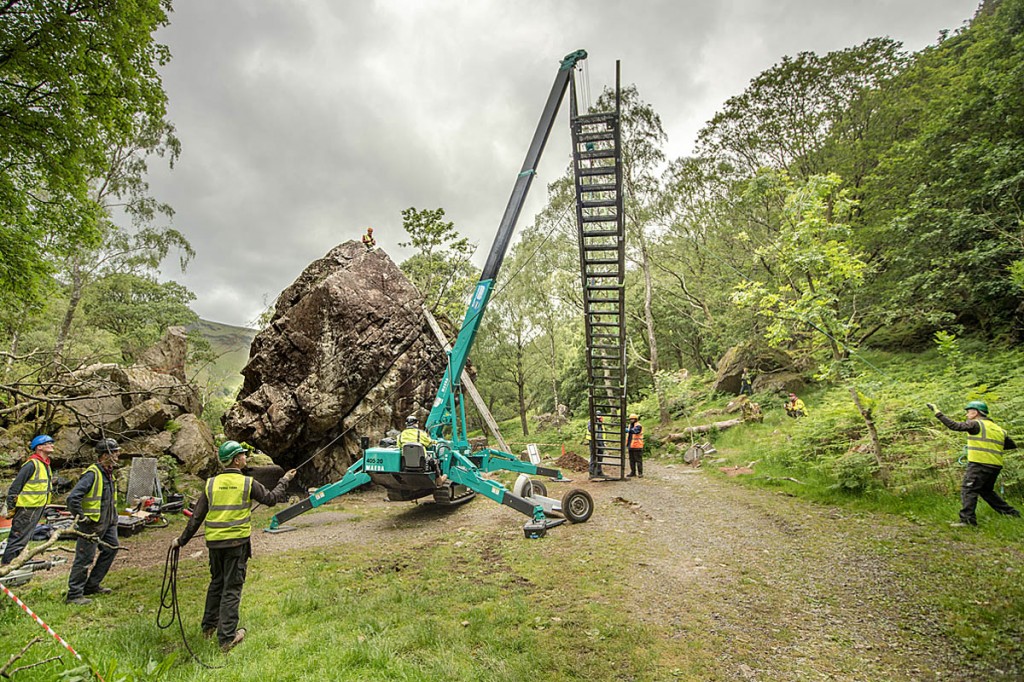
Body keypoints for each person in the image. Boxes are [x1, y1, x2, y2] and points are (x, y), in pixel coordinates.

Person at [172, 441, 296, 652]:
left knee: (216, 583)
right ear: (237, 460)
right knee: (232, 588)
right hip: (236, 544)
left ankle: (208, 627)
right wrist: (285, 480)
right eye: (242, 455)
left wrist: (181, 541)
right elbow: (272, 499)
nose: (245, 457)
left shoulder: (211, 484)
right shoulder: (247, 483)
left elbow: (197, 517)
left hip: (215, 544)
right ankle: (227, 639)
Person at [927, 400, 1020, 527]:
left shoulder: (975, 424)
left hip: (979, 464)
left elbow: (955, 426)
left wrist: (937, 412)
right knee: (986, 491)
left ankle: (968, 521)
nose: (966, 415)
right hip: (995, 465)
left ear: (975, 412)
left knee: (969, 489)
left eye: (968, 412)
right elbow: (1011, 445)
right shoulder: (999, 429)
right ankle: (1011, 513)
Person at [65, 438, 122, 605]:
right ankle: (74, 594)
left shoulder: (109, 472)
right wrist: (82, 517)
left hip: (108, 523)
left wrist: (114, 520)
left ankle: (92, 585)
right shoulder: (92, 473)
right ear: (105, 455)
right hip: (91, 525)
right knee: (84, 559)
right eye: (115, 452)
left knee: (111, 549)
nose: (118, 455)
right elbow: (73, 498)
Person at [1, 435, 54, 566]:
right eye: (48, 443)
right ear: (39, 447)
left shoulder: (45, 464)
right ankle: (7, 565)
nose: (52, 445)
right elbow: (15, 488)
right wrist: (11, 507)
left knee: (26, 535)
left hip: (37, 506)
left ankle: (20, 559)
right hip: (26, 508)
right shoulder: (31, 464)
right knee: (18, 536)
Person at [398, 416, 444, 482]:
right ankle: (439, 479)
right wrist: (436, 442)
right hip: (421, 462)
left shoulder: (401, 435)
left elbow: (399, 446)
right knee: (434, 461)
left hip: (406, 463)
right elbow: (429, 443)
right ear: (415, 424)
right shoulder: (420, 434)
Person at [587, 414, 606, 478]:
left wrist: (604, 442)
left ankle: (599, 471)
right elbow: (590, 429)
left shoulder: (601, 423)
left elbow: (603, 433)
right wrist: (595, 423)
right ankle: (591, 472)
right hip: (593, 441)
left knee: (600, 457)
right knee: (593, 456)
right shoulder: (591, 421)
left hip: (600, 441)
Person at [627, 413, 644, 478]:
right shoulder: (630, 425)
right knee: (631, 460)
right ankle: (633, 472)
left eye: (633, 419)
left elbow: (636, 431)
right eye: (631, 419)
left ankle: (640, 473)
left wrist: (629, 430)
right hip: (631, 445)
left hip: (637, 446)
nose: (632, 420)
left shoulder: (638, 426)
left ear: (636, 419)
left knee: (638, 460)